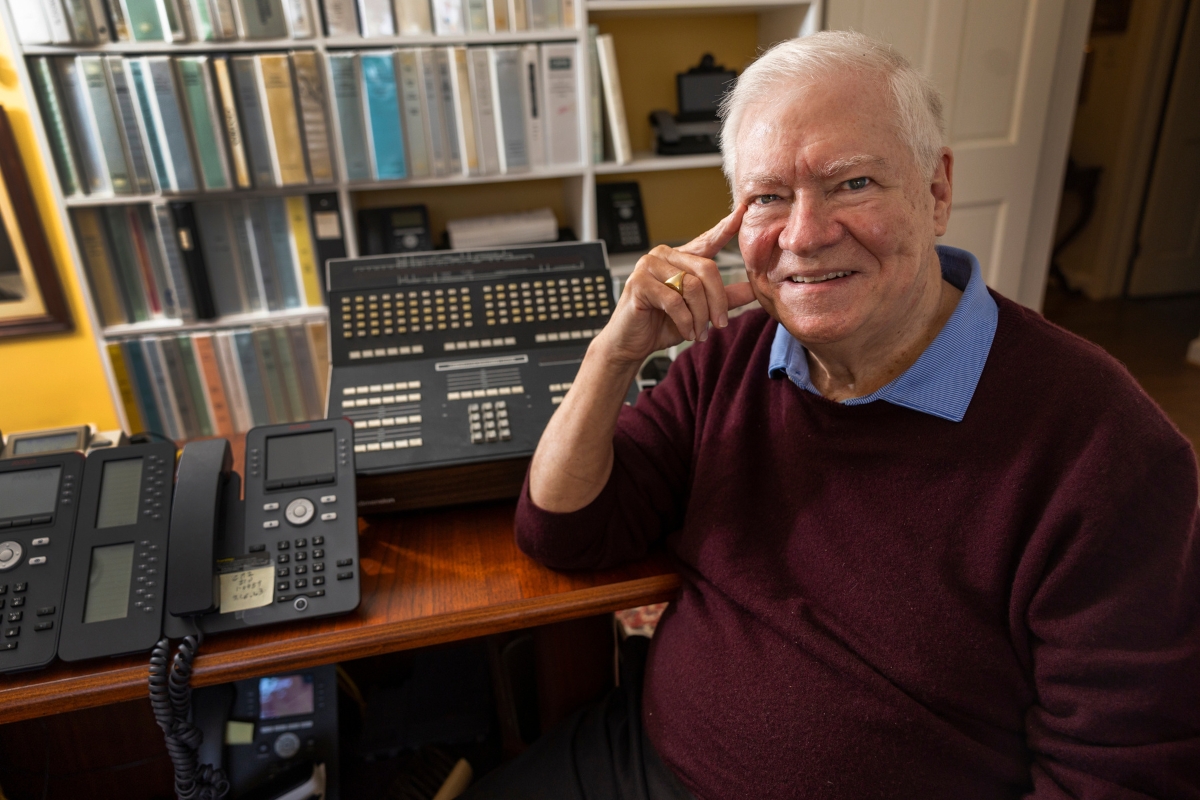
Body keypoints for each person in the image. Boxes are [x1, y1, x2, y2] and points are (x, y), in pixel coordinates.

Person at [464, 31, 1200, 799]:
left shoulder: (1105, 446)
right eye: (768, 197)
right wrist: (613, 355)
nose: (805, 235)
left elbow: (1122, 774)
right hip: (642, 762)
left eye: (852, 184)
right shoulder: (733, 358)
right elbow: (565, 530)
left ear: (937, 191)